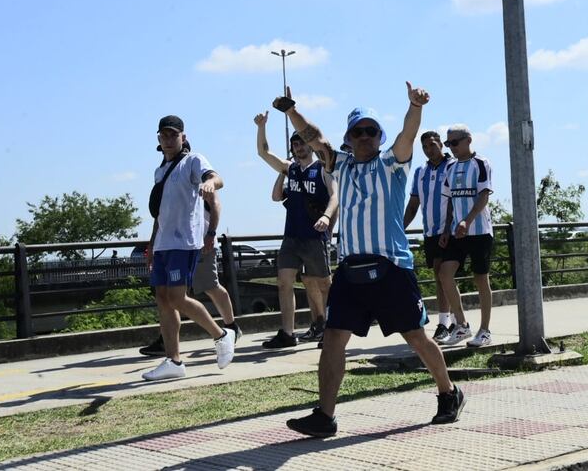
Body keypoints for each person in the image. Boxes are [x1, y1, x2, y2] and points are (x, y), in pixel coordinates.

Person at [274, 83, 465, 438]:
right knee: (333, 339)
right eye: (358, 131)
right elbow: (315, 138)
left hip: (391, 266)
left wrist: (414, 107)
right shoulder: (340, 164)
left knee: (416, 337)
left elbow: (408, 133)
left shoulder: (392, 163)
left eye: (371, 131)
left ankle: (449, 392)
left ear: (380, 136)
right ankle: (325, 415)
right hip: (350, 268)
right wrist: (291, 111)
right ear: (348, 137)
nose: (365, 136)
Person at [141, 115, 235, 381]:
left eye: (173, 135)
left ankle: (221, 334)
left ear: (183, 137)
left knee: (177, 298)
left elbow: (217, 178)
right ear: (159, 139)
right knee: (163, 299)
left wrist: (209, 184)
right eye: (164, 135)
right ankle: (174, 361)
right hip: (163, 243)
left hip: (183, 242)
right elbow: (160, 214)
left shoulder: (193, 161)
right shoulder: (160, 171)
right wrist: (152, 242)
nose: (169, 139)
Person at [253, 113, 338, 349]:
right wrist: (262, 127)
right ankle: (288, 332)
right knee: (284, 282)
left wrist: (327, 216)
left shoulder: (323, 168)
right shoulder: (289, 169)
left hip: (314, 236)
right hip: (291, 236)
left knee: (324, 284)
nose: (299, 146)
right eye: (295, 143)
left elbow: (335, 196)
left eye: (302, 142)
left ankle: (332, 329)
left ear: (310, 145)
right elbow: (263, 153)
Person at [139, 187, 242, 357]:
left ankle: (230, 328)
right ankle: (167, 343)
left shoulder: (197, 172)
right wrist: (152, 244)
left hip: (200, 243)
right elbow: (161, 216)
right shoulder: (166, 175)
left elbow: (216, 204)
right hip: (173, 246)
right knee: (169, 295)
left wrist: (211, 233)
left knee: (210, 285)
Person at [438, 124, 494, 348]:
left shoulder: (481, 163)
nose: (451, 147)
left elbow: (483, 196)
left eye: (454, 142)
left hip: (479, 231)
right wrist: (446, 229)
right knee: (444, 273)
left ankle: (485, 330)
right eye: (448, 143)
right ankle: (461, 325)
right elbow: (450, 200)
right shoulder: (450, 167)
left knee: (481, 278)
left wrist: (468, 220)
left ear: (468, 140)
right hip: (457, 232)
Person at [403, 131, 456, 343]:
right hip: (430, 231)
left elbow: (454, 199)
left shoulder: (452, 167)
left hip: (449, 230)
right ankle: (452, 320)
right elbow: (414, 203)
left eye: (432, 144)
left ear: (441, 144)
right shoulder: (420, 172)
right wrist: (400, 226)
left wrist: (448, 228)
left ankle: (445, 322)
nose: (429, 149)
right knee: (438, 275)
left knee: (445, 274)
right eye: (425, 146)